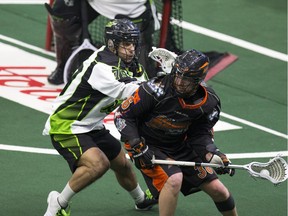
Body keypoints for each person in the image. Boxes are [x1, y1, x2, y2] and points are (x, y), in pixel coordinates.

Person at [43, 18, 157, 216]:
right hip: (67, 124)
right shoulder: (100, 66)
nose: (132, 49)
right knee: (99, 164)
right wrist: (163, 84)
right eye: (126, 44)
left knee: (122, 163)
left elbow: (145, 95)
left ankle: (141, 200)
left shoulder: (133, 65)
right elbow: (131, 91)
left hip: (92, 125)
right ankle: (58, 202)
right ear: (112, 44)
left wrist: (164, 85)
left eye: (133, 44)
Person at [114, 49, 238, 216]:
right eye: (177, 75)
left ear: (198, 81)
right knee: (174, 179)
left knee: (219, 190)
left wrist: (212, 154)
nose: (179, 82)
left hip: (180, 146)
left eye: (185, 79)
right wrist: (137, 144)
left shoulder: (209, 103)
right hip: (147, 145)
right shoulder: (155, 90)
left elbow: (200, 135)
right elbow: (122, 116)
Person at [44, 0, 159, 85]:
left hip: (130, 6)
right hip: (94, 2)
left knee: (141, 80)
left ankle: (138, 79)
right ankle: (66, 66)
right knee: (62, 14)